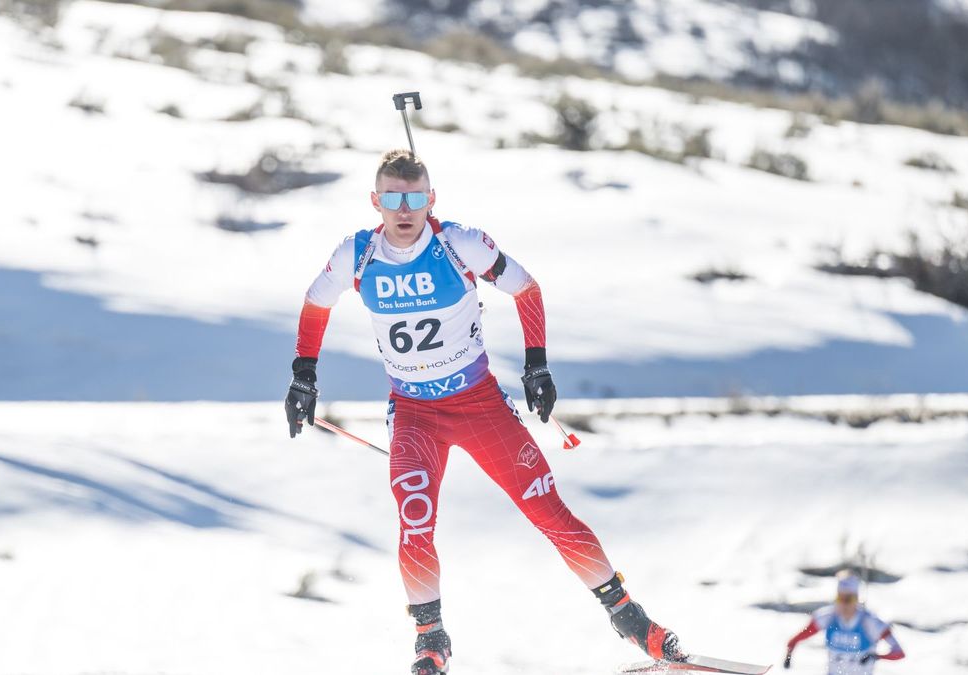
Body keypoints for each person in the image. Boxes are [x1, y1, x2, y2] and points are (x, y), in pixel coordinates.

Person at [284, 149, 684, 675]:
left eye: (415, 198)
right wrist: (303, 375)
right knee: (415, 523)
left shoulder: (458, 243)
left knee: (549, 514)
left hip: (480, 405)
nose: (404, 210)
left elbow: (526, 288)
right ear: (375, 201)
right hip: (413, 413)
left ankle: (630, 620)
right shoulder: (356, 255)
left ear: (432, 199)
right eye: (392, 199)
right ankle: (431, 640)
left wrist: (536, 366)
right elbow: (316, 304)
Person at [783, 572, 905, 674]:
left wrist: (876, 656)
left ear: (857, 599)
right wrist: (789, 654)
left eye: (849, 599)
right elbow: (795, 639)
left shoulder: (869, 621)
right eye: (841, 598)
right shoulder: (828, 617)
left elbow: (899, 653)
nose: (844, 604)